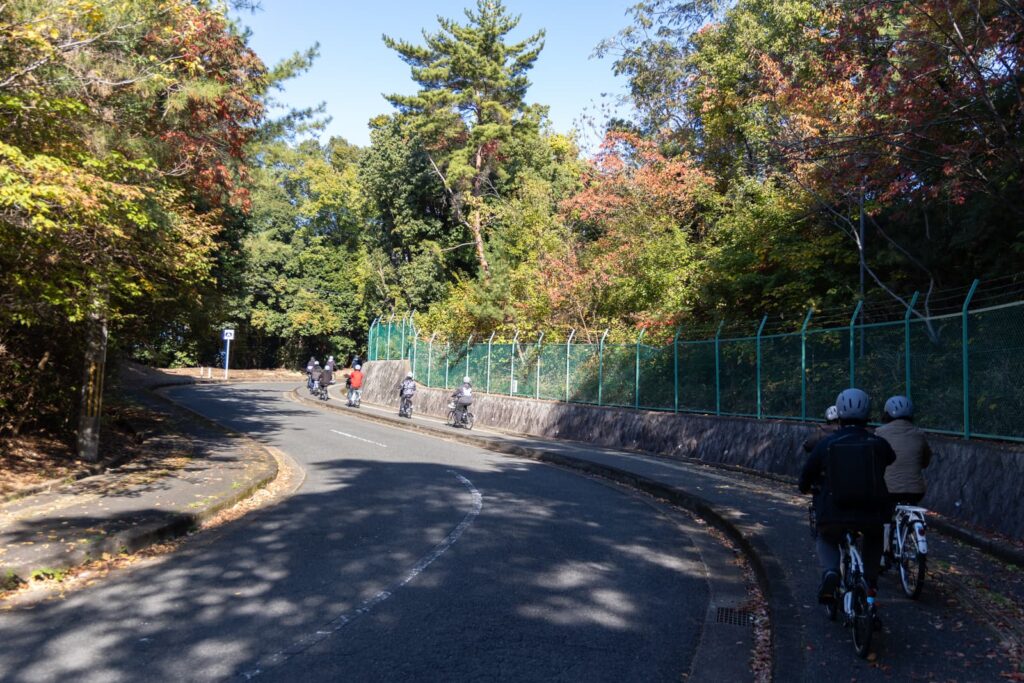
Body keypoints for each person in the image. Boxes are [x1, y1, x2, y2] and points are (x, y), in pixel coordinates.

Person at [799, 388, 896, 609]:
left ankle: (831, 572)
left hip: (834, 511)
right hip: (871, 511)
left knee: (826, 537)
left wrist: (805, 488)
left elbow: (807, 473)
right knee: (874, 536)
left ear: (839, 412)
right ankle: (870, 580)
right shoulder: (877, 443)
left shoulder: (826, 444)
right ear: (867, 414)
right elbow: (890, 458)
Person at [876, 395, 932, 562]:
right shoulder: (919, 434)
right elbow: (925, 462)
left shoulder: (880, 432)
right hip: (916, 490)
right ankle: (908, 533)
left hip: (888, 489)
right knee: (910, 507)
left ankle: (884, 554)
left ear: (887, 413)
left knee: (884, 516)